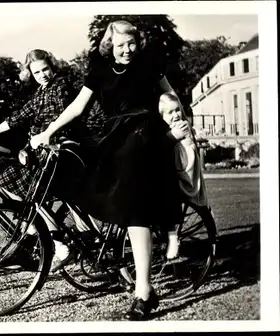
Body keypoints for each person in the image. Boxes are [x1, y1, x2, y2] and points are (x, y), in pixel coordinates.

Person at [30, 20, 188, 320]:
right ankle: (108, 253)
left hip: (144, 137)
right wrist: (48, 131)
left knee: (133, 209)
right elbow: (77, 107)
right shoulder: (99, 71)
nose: (127, 50)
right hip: (114, 138)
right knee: (80, 175)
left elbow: (171, 97)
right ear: (109, 46)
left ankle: (145, 291)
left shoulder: (149, 66)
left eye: (131, 43)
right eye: (120, 45)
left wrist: (179, 121)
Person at [0, 48, 86, 272]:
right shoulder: (40, 94)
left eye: (45, 69)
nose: (43, 75)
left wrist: (38, 139)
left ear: (52, 67)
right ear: (31, 74)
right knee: (9, 179)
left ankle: (58, 245)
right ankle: (37, 233)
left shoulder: (61, 87)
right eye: (37, 72)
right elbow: (16, 118)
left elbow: (60, 118)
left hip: (60, 151)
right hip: (42, 153)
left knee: (33, 192)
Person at [158, 92, 209, 261]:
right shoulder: (164, 130)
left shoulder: (182, 127)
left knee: (169, 189)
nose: (176, 115)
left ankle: (173, 236)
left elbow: (186, 155)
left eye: (177, 110)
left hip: (183, 174)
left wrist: (172, 137)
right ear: (162, 115)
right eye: (170, 112)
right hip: (176, 170)